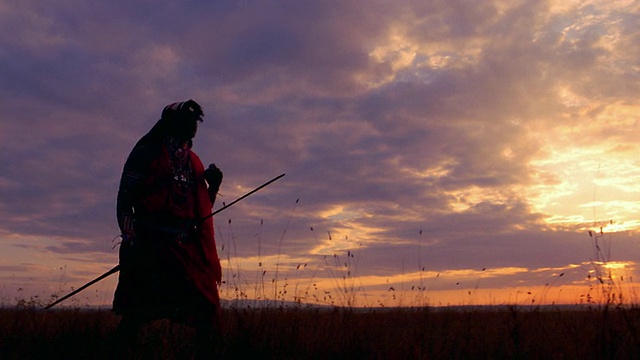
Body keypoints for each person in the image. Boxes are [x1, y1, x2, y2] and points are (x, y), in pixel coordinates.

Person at [112, 100, 223, 358]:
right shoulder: (146, 153)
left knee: (205, 309)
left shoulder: (194, 162)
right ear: (172, 123)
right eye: (188, 119)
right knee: (137, 313)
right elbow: (125, 200)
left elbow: (200, 212)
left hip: (185, 250)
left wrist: (213, 187)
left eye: (196, 120)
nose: (194, 125)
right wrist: (131, 238)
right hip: (152, 247)